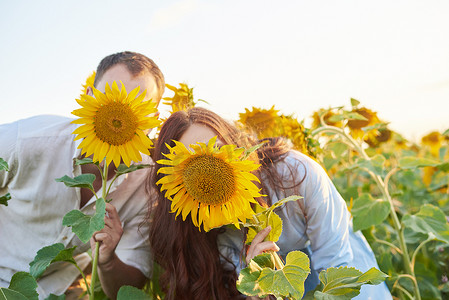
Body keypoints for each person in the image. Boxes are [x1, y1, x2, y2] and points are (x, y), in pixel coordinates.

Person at [148, 107, 392, 300]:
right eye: (192, 164)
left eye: (218, 153)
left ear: (237, 147)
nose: (209, 173)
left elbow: (337, 264)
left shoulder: (295, 174)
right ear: (176, 182)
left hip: (342, 267)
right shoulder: (198, 229)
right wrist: (259, 288)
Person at [0, 51, 165, 299]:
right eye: (110, 100)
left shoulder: (145, 185)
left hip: (58, 290)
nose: (120, 116)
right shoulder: (27, 141)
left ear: (152, 119)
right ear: (89, 96)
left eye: (137, 108)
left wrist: (107, 260)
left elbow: (127, 288)